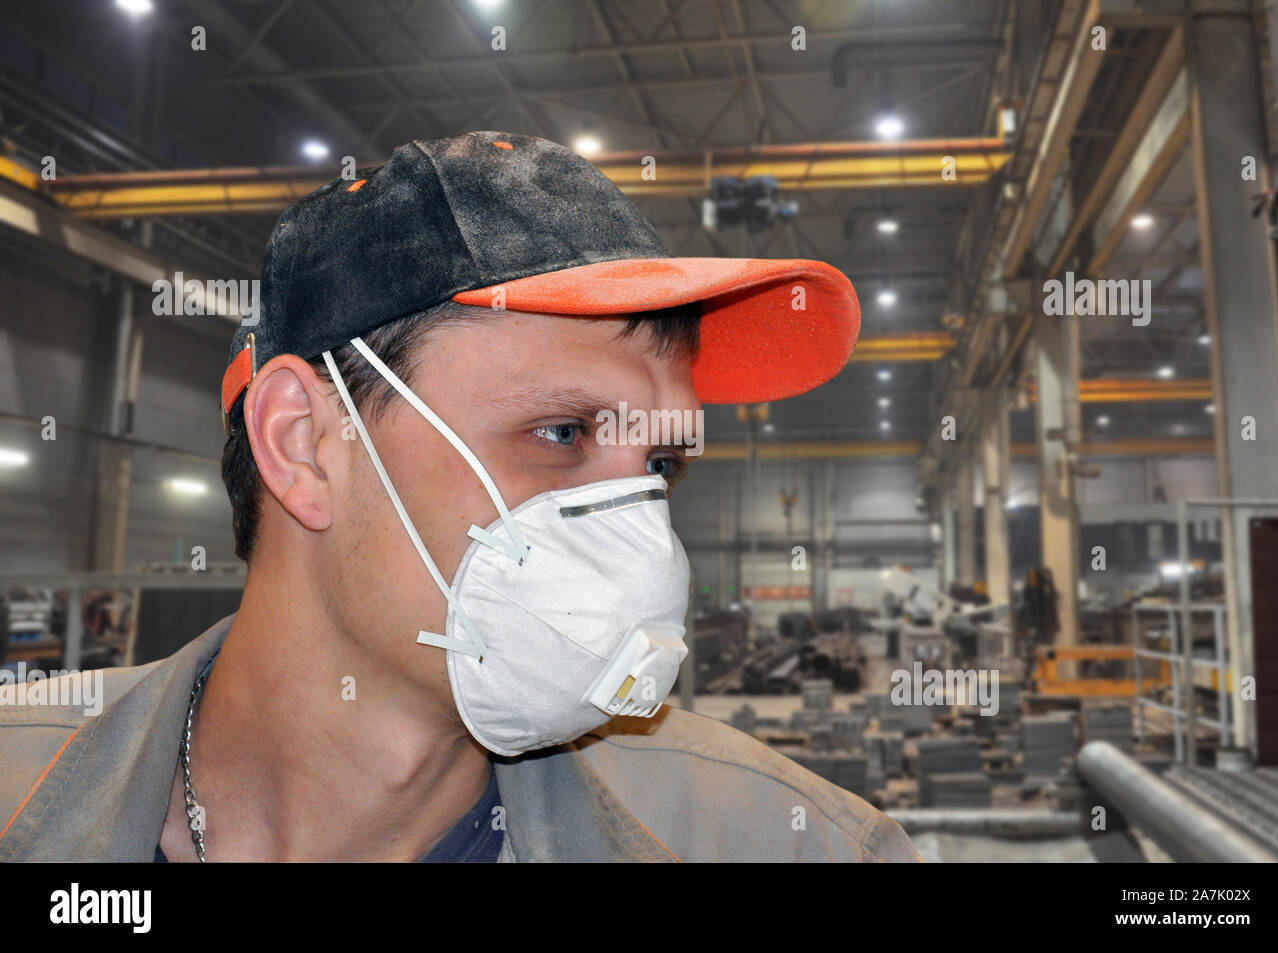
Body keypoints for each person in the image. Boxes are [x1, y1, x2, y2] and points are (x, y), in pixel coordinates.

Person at [0, 131, 919, 863]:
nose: (642, 540)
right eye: (562, 434)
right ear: (304, 444)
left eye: (657, 469)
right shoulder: (23, 797)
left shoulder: (781, 843)